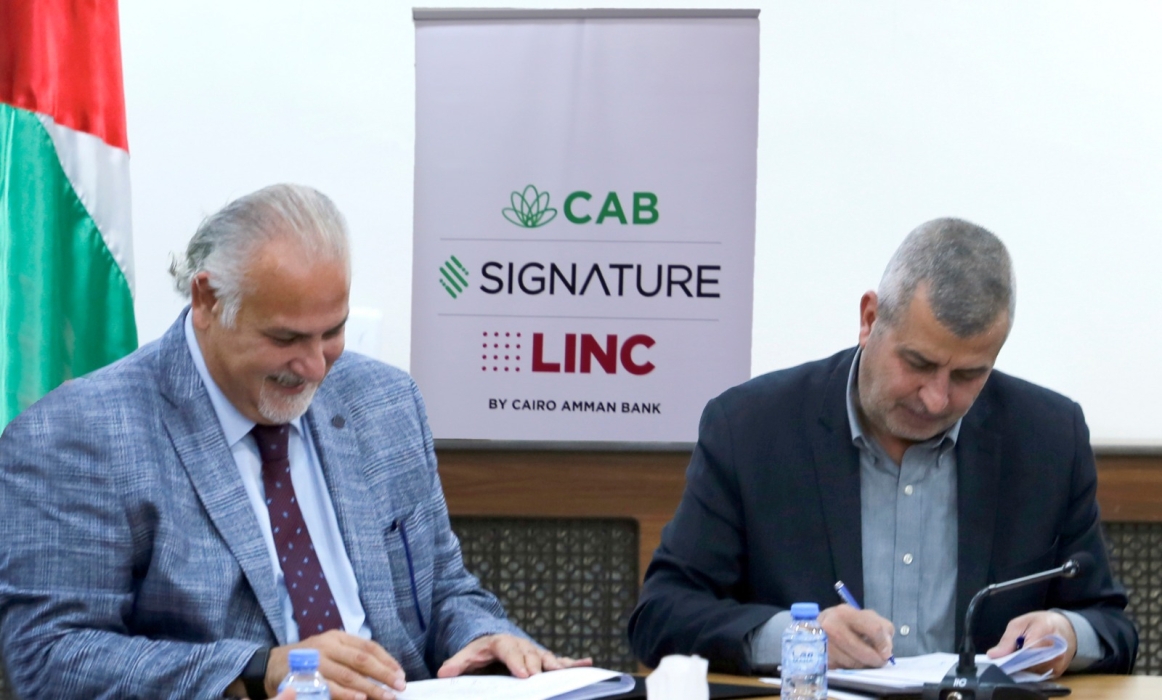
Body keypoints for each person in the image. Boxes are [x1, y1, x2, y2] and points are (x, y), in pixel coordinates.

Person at [0, 185, 588, 700]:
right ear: (206, 301)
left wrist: (485, 636)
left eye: (332, 331)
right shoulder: (78, 435)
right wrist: (260, 670)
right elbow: (50, 656)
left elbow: (442, 591)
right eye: (285, 338)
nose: (314, 367)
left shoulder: (384, 401)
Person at [628, 218, 1138, 677]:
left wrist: (1067, 634)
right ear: (870, 318)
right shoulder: (751, 428)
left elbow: (1110, 626)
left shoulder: (1048, 438)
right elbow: (661, 615)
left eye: (968, 375)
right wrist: (799, 638)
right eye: (918, 363)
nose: (936, 398)